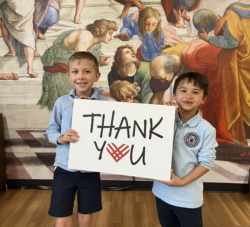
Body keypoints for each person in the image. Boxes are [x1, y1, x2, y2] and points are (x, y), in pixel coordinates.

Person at [47, 51, 110, 227]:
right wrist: (61, 137)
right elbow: (51, 129)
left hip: (90, 171)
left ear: (97, 75)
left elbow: (119, 121)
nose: (80, 76)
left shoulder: (105, 103)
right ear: (68, 75)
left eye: (87, 71)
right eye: (75, 71)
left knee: (86, 216)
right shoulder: (61, 102)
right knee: (62, 215)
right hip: (64, 169)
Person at [152, 72, 218, 227]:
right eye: (183, 90)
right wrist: (164, 117)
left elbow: (206, 162)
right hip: (161, 193)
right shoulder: (164, 120)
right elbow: (151, 142)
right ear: (174, 94)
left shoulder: (206, 129)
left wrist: (182, 182)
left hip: (188, 198)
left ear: (203, 99)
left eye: (195, 92)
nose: (188, 95)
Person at [198, 0, 250, 150]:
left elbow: (232, 42)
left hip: (237, 66)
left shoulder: (233, 11)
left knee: (240, 102)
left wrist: (208, 39)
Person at [37, 19, 117, 110]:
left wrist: (100, 59)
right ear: (102, 30)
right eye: (110, 33)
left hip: (72, 72)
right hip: (61, 73)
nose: (112, 37)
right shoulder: (85, 36)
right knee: (72, 104)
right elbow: (81, 60)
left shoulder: (96, 44)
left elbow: (90, 57)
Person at [115, 7, 183, 62]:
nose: (150, 27)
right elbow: (128, 25)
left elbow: (176, 44)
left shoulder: (165, 30)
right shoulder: (136, 20)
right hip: (145, 52)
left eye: (154, 25)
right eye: (147, 24)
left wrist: (170, 45)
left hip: (161, 56)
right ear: (142, 21)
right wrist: (126, 35)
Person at [1, 0, 39, 78]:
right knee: (28, 36)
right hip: (26, 7)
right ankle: (30, 68)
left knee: (3, 23)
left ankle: (12, 50)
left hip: (10, 7)